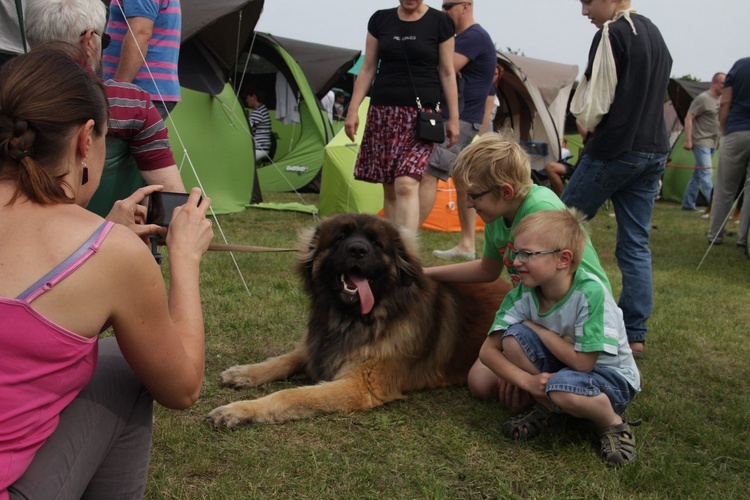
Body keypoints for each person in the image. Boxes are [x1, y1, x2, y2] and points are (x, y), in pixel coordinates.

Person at [0, 45, 213, 497]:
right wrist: (185, 261)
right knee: (122, 369)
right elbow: (182, 388)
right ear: (85, 139)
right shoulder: (111, 255)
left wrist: (98, 234)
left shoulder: (103, 245)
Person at [424, 134, 611, 415]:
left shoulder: (541, 211)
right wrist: (428, 274)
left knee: (509, 378)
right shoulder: (497, 215)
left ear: (506, 192)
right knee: (479, 383)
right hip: (537, 314)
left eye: (474, 196)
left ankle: (561, 392)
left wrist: (518, 367)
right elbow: (487, 269)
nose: (470, 205)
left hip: (573, 321)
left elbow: (565, 289)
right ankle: (543, 384)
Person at [478, 208, 641, 466]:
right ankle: (551, 409)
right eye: (515, 253)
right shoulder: (523, 294)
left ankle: (613, 424)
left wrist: (540, 330)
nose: (515, 261)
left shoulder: (590, 293)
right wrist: (528, 382)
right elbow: (487, 351)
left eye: (527, 254)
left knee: (561, 388)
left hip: (611, 381)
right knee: (512, 338)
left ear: (563, 259)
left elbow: (583, 364)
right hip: (564, 373)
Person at [562, 0, 672, 357]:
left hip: (615, 149)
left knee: (557, 227)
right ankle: (635, 334)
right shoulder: (654, 32)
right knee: (635, 245)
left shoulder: (612, 32)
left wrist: (584, 118)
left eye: (588, 2)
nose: (584, 11)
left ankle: (549, 315)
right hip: (654, 149)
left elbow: (595, 106)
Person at [25, 0, 186, 218]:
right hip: (106, 238)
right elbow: (172, 208)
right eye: (105, 40)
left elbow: (141, 31)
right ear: (90, 41)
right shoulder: (130, 105)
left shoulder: (12, 95)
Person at [345, 0, 459, 232]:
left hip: (422, 116)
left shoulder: (441, 23)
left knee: (406, 183)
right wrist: (353, 109)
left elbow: (447, 72)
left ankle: (406, 252)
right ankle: (392, 252)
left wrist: (454, 117)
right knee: (389, 186)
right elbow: (367, 68)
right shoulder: (380, 19)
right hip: (383, 113)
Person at [420, 0, 496, 260]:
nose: (442, 12)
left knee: (429, 172)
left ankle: (404, 238)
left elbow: (444, 68)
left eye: (447, 6)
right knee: (464, 183)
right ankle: (467, 246)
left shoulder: (472, 37)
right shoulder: (470, 37)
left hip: (460, 120)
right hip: (466, 119)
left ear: (465, 6)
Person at [103, 0, 182, 120]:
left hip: (137, 92)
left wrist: (119, 90)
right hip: (148, 90)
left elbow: (141, 33)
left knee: (108, 138)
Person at [707, 57, 750, 249]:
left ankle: (715, 235)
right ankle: (744, 240)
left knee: (725, 187)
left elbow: (725, 103)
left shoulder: (740, 66)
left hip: (736, 132)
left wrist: (724, 129)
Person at [681, 72, 726, 212]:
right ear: (714, 83)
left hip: (713, 143)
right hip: (701, 142)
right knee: (706, 174)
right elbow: (689, 118)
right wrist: (688, 140)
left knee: (698, 174)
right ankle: (715, 207)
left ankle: (688, 204)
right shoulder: (702, 98)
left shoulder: (722, 99)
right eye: (722, 83)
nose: (725, 86)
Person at [544, 120, 592, 197]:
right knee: (550, 167)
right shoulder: (589, 137)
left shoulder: (599, 139)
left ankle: (564, 197)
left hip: (587, 171)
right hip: (576, 169)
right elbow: (579, 123)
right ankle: (562, 195)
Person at [244, 86, 273, 163]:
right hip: (264, 148)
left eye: (247, 97)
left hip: (259, 148)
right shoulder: (263, 110)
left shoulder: (258, 112)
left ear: (253, 97)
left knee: (239, 161)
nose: (246, 100)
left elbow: (244, 128)